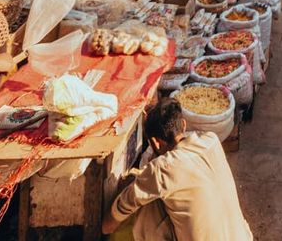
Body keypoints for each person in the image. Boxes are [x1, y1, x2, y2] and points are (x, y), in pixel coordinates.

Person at [103, 98, 252, 241]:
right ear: (184, 124)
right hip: (242, 237)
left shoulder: (163, 168)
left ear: (155, 142)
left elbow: (124, 205)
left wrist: (104, 229)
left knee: (148, 208)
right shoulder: (211, 141)